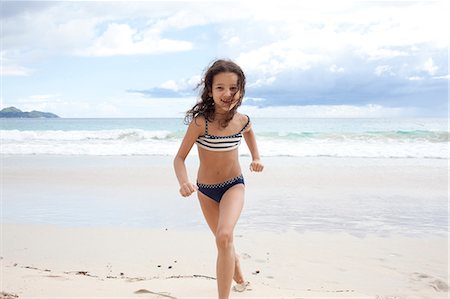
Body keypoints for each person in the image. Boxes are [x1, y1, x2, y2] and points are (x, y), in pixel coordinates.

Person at [173, 59, 264, 299]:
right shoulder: (200, 123)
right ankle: (241, 280)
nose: (227, 93)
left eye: (233, 88)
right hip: (206, 191)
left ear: (241, 90)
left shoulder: (242, 120)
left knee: (224, 237)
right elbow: (179, 158)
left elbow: (250, 135)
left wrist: (256, 157)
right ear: (210, 91)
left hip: (234, 185)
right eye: (220, 88)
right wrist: (184, 181)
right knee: (224, 242)